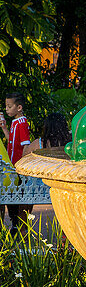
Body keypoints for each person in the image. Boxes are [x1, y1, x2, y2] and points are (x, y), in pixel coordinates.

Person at [0, 93, 33, 231]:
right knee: (11, 195)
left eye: (9, 106)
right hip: (12, 166)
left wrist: (22, 165)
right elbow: (11, 142)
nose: (7, 109)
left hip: (17, 167)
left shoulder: (22, 123)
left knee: (16, 196)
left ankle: (17, 224)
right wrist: (4, 129)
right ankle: (15, 223)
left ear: (19, 107)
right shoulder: (15, 122)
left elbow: (25, 145)